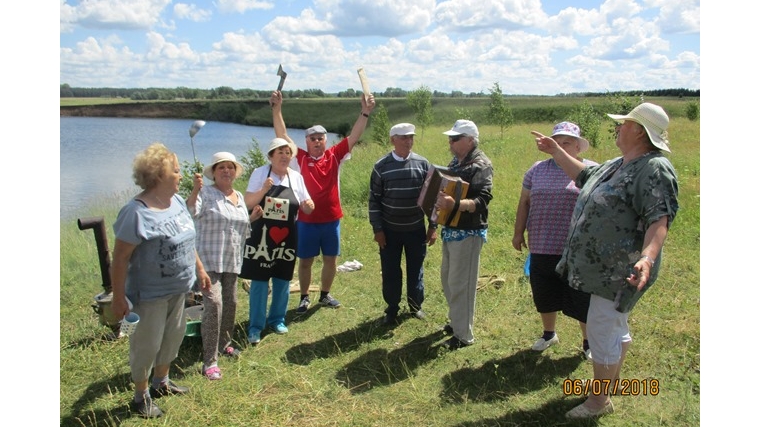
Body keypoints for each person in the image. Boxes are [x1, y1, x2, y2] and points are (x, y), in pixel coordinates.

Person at [533, 103, 679, 419]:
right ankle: (608, 387)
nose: (617, 127)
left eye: (623, 123)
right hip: (601, 270)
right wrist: (557, 151)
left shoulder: (653, 168)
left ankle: (598, 402)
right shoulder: (618, 163)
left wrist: (647, 259)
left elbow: (660, 219)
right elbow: (584, 175)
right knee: (614, 327)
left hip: (619, 272)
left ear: (638, 131)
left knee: (601, 330)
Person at [110, 142, 212, 418]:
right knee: (146, 345)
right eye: (176, 171)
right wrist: (118, 297)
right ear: (158, 175)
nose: (180, 175)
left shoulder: (177, 202)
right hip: (149, 296)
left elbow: (186, 241)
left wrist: (200, 270)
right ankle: (141, 395)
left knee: (172, 338)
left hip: (180, 290)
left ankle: (161, 382)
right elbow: (119, 259)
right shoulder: (136, 213)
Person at [269, 90, 376, 314]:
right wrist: (277, 109)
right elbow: (283, 135)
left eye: (321, 138)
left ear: (326, 141)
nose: (317, 142)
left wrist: (365, 112)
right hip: (306, 220)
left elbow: (354, 136)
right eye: (312, 139)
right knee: (306, 261)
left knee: (331, 259)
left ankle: (325, 294)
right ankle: (305, 297)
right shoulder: (299, 158)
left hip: (331, 219)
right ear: (306, 142)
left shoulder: (335, 155)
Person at [512, 122, 598, 360]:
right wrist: (518, 232)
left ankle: (589, 342)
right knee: (544, 292)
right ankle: (549, 334)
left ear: (578, 147)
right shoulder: (537, 169)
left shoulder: (590, 170)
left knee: (580, 294)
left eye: (567, 143)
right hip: (541, 243)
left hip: (576, 248)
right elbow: (524, 202)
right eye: (556, 143)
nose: (560, 147)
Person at [187, 152, 254, 381]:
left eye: (230, 167)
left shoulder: (239, 196)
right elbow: (190, 212)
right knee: (214, 304)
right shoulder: (205, 193)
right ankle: (209, 361)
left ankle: (225, 343)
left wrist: (253, 218)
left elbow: (241, 227)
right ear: (213, 172)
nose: (226, 171)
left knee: (232, 302)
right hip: (208, 260)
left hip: (232, 260)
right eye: (221, 167)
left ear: (235, 172)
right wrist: (195, 189)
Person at [240, 137, 315, 344]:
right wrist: (264, 189)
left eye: (287, 152)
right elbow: (247, 203)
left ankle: (277, 319)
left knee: (283, 279)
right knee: (260, 280)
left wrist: (309, 205)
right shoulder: (259, 173)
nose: (284, 156)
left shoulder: (296, 178)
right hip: (261, 235)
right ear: (271, 156)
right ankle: (255, 326)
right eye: (279, 152)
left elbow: (306, 207)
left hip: (287, 236)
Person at [368, 123, 438, 325]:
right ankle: (392, 309)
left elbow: (432, 199)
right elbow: (374, 200)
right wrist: (378, 229)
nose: (408, 141)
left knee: (416, 269)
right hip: (389, 231)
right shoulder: (381, 166)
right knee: (390, 270)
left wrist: (433, 227)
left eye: (411, 137)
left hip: (416, 229)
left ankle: (415, 307)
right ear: (393, 140)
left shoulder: (423, 164)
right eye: (403, 137)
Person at [434, 120, 493, 350]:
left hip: (469, 231)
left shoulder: (481, 164)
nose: (450, 141)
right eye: (450, 137)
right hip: (452, 229)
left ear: (470, 140)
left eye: (455, 138)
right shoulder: (456, 161)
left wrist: (455, 204)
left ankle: (463, 335)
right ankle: (456, 321)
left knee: (462, 283)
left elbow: (483, 200)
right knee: (448, 279)